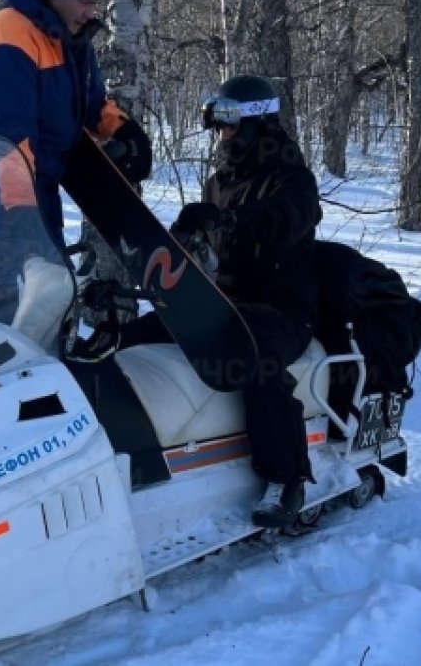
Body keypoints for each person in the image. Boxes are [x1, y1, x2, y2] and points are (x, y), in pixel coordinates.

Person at [75, 74, 322, 529]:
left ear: (258, 124)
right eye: (217, 124)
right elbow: (197, 253)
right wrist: (165, 256)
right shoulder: (218, 182)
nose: (221, 134)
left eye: (229, 123)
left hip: (280, 308)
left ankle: (287, 479)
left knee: (256, 363)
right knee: (121, 338)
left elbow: (284, 221)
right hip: (221, 303)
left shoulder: (295, 180)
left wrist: (226, 220)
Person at [0, 0, 152, 247]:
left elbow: (90, 103)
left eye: (94, 4)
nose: (91, 13)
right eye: (84, 2)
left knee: (50, 287)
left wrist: (123, 129)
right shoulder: (10, 33)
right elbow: (10, 133)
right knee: (7, 293)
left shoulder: (71, 37)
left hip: (40, 188)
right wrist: (20, 211)